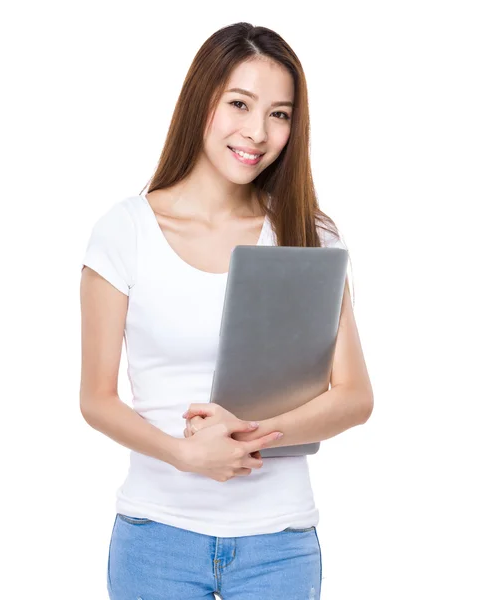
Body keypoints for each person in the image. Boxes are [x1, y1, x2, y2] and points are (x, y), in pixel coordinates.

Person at [80, 22, 373, 600]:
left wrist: (249, 436)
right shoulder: (126, 231)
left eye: (280, 114)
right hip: (156, 539)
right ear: (201, 101)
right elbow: (96, 398)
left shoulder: (308, 236)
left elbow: (356, 397)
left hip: (279, 545)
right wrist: (185, 453)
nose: (258, 132)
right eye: (239, 103)